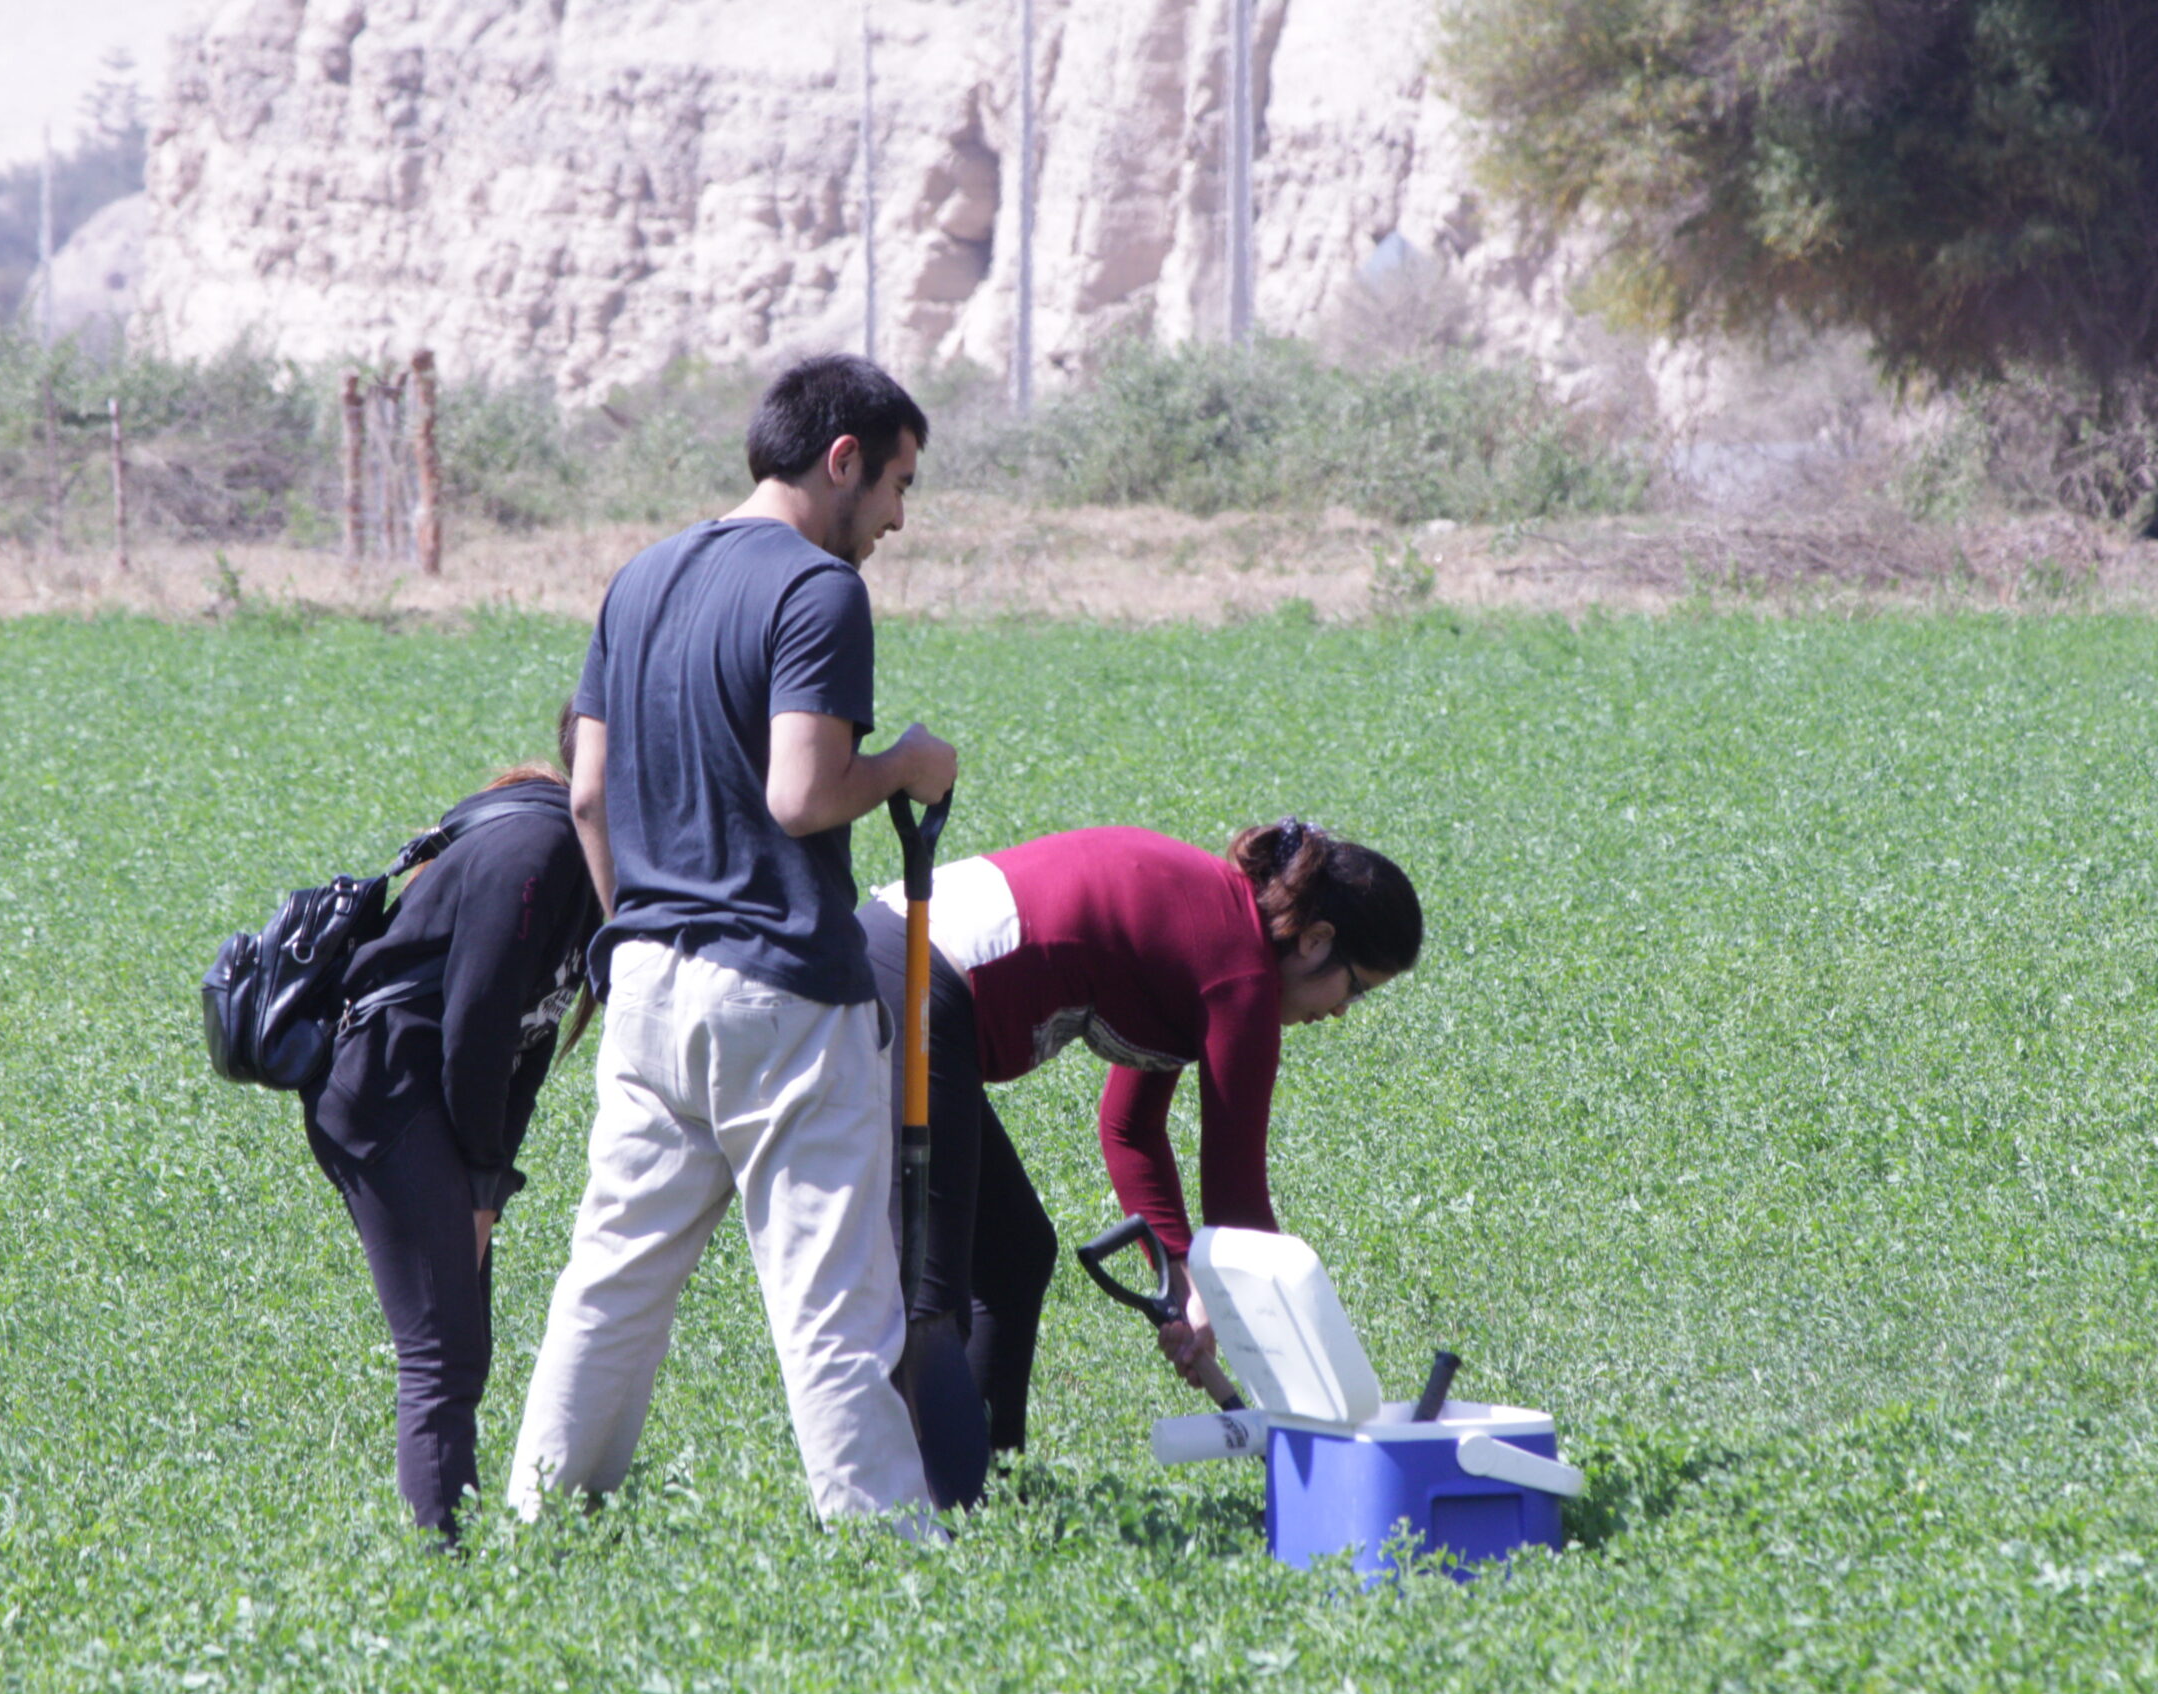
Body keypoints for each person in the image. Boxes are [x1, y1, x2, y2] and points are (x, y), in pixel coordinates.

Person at [505, 354, 958, 1533]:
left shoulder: (638, 579)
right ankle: (889, 1560)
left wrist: (634, 941)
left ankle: (538, 1531)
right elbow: (803, 794)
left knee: (608, 1287)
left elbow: (589, 797)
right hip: (781, 999)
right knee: (833, 1307)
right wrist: (908, 764)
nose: (900, 519)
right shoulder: (818, 590)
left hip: (646, 984)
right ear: (841, 459)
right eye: (900, 483)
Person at [858, 817, 1422, 1507]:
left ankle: (993, 1501)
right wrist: (1280, 1357)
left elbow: (1130, 1128)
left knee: (1011, 1256)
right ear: (1316, 941)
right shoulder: (1239, 979)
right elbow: (1240, 1210)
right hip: (912, 980)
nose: (1340, 1014)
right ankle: (942, 1521)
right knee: (935, 1298)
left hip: (904, 961)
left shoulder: (1217, 935)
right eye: (1356, 989)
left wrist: (1186, 1277)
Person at [300, 718, 602, 1541]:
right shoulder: (540, 851)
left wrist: (489, 1189)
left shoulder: (594, 864)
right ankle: (445, 1586)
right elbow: (474, 1033)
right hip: (384, 1089)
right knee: (444, 1355)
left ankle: (452, 1559)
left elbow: (526, 1048)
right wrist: (476, 1180)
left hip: (428, 1096)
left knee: (462, 1348)